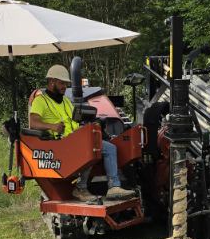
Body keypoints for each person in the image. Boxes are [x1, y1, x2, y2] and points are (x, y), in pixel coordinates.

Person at [29, 65, 135, 202]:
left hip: (74, 140)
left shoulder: (66, 101)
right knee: (90, 147)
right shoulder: (40, 101)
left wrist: (88, 124)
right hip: (59, 145)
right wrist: (52, 126)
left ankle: (114, 187)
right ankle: (81, 188)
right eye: (62, 83)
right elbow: (33, 123)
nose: (64, 87)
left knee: (110, 148)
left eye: (66, 84)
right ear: (51, 82)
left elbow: (75, 121)